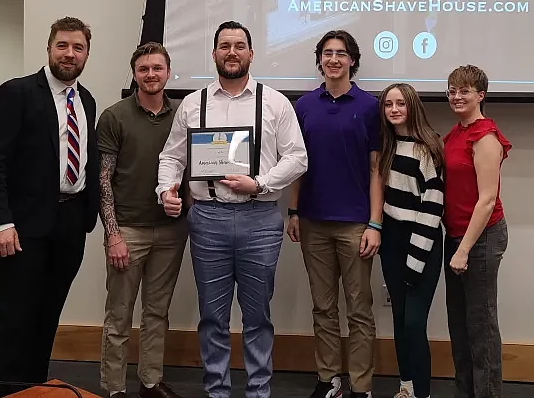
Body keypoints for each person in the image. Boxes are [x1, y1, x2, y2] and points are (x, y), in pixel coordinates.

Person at [156, 20, 308, 398]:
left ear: (251, 54)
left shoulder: (275, 103)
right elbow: (171, 157)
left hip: (260, 220)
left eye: (239, 45)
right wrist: (166, 189)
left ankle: (259, 392)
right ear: (214, 54)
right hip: (207, 220)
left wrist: (261, 183)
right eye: (224, 46)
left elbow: (298, 157)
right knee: (213, 318)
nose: (232, 52)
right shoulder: (194, 104)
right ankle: (217, 391)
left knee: (258, 317)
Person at [0, 17, 99, 398]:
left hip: (70, 223)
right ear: (49, 48)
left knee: (46, 318)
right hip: (23, 227)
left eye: (78, 47)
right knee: (15, 319)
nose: (70, 54)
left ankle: (33, 390)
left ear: (86, 54)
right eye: (62, 45)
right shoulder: (16, 93)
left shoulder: (87, 100)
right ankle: (3, 392)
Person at [288, 30, 381, 398]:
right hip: (313, 221)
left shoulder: (371, 106)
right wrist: (293, 211)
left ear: (352, 61)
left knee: (359, 309)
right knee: (323, 308)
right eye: (327, 53)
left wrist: (375, 223)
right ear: (320, 60)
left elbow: (377, 169)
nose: (334, 59)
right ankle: (329, 380)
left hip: (356, 223)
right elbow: (295, 165)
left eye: (341, 53)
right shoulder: (304, 106)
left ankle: (361, 385)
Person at [98, 42, 188, 398]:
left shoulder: (183, 116)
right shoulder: (114, 116)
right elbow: (104, 179)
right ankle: (114, 388)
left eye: (157, 68)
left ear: (168, 72)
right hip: (129, 231)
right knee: (118, 317)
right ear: (134, 73)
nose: (151, 75)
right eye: (143, 69)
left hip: (170, 232)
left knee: (157, 313)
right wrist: (113, 235)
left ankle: (150, 381)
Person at [443, 65, 511, 398]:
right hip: (455, 237)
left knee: (481, 328)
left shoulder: (485, 136)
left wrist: (464, 249)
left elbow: (487, 201)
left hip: (479, 241)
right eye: (452, 90)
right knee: (459, 325)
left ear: (480, 95)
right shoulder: (456, 132)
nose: (456, 96)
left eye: (464, 91)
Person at [379, 83, 444, 398]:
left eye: (400, 104)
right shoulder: (387, 147)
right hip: (393, 241)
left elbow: (432, 208)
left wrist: (415, 262)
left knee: (414, 324)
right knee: (400, 319)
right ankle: (405, 386)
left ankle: (422, 392)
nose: (394, 109)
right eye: (388, 104)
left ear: (412, 107)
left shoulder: (428, 149)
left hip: (422, 242)